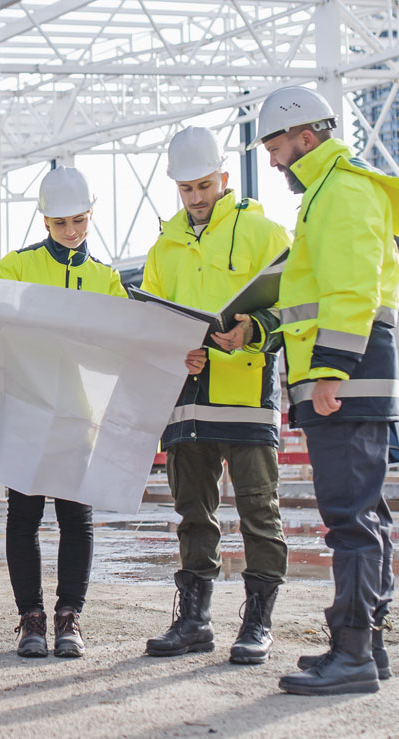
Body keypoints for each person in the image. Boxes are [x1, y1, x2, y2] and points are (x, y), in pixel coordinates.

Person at [251, 86, 399, 695]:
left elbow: (353, 291)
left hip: (346, 378)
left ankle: (353, 653)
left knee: (351, 520)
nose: (275, 161)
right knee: (364, 516)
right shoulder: (329, 194)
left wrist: (329, 370)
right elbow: (312, 294)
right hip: (346, 376)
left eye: (278, 147)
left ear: (306, 136)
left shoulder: (344, 192)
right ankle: (366, 646)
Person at [138, 126, 293, 665]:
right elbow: (151, 322)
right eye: (187, 189)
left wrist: (254, 329)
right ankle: (194, 620)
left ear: (224, 178)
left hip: (246, 392)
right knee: (193, 514)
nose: (197, 198)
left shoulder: (263, 233)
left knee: (258, 508)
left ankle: (257, 622)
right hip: (186, 398)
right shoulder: (163, 249)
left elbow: (296, 305)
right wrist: (172, 349)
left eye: (204, 185)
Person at [0, 166, 127, 659]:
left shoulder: (106, 278)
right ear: (43, 220)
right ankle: (30, 618)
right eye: (59, 223)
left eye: (79, 221)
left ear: (91, 215)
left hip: (77, 416)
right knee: (22, 517)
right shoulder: (15, 267)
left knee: (76, 518)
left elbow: (125, 344)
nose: (70, 232)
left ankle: (70, 618)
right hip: (25, 411)